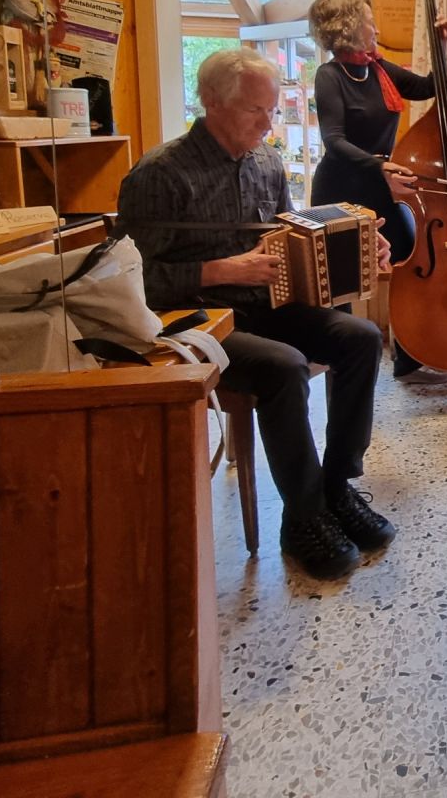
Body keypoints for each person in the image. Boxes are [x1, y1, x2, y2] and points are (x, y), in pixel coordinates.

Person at [118, 48, 396, 582]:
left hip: (263, 307)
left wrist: (362, 245)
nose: (268, 124)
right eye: (255, 111)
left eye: (273, 111)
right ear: (211, 102)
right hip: (193, 325)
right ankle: (303, 514)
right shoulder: (159, 175)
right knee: (283, 365)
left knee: (361, 337)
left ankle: (337, 487)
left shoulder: (267, 162)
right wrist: (220, 271)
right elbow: (131, 283)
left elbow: (286, 234)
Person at [309, 0, 447, 386]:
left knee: (409, 264)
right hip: (337, 190)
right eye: (370, 21)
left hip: (376, 186)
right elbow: (333, 141)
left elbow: (427, 88)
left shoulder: (379, 68)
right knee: (341, 279)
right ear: (350, 28)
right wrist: (378, 163)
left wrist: (440, 47)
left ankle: (408, 359)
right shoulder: (330, 76)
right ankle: (344, 366)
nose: (376, 28)